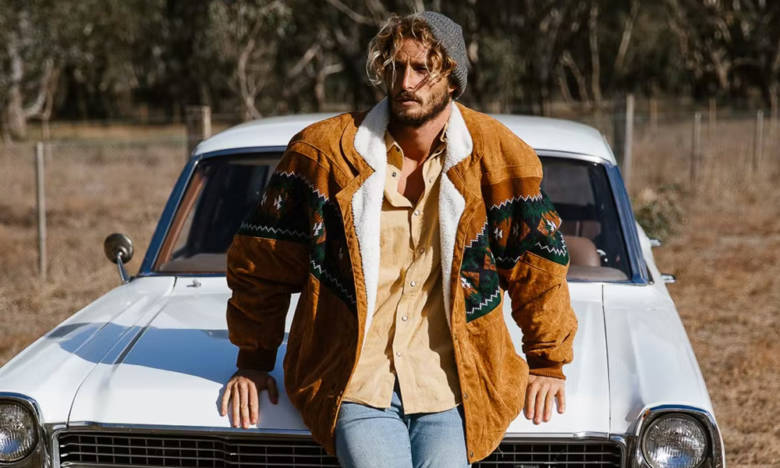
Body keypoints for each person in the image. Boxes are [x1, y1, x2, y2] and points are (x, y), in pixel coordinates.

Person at [219, 11, 577, 467]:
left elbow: (538, 266)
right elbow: (262, 261)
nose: (405, 82)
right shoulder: (324, 154)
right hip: (356, 378)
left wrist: (547, 362)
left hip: (452, 382)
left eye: (421, 68)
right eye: (395, 67)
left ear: (452, 78)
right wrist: (253, 360)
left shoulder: (500, 156)